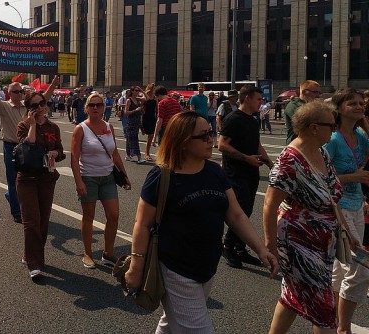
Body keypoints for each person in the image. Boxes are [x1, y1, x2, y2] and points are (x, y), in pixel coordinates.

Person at [125, 111, 278, 333]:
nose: (212, 140)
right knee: (198, 328)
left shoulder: (214, 171)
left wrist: (261, 249)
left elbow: (235, 215)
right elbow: (142, 224)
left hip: (207, 265)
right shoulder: (162, 176)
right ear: (183, 142)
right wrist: (136, 267)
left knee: (172, 322)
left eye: (211, 133)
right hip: (176, 267)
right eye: (204, 136)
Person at [263, 100, 349, 333]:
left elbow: (332, 196)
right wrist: (270, 246)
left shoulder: (319, 151)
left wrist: (347, 231)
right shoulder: (291, 159)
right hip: (298, 242)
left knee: (292, 295)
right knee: (324, 308)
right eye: (331, 125)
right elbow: (270, 204)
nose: (335, 129)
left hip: (322, 242)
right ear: (313, 127)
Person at [323, 88, 369, 334]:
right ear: (339, 108)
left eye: (362, 103)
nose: (360, 106)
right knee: (359, 269)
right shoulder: (332, 140)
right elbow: (319, 176)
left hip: (356, 206)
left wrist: (364, 123)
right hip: (337, 207)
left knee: (341, 268)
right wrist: (354, 176)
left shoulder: (361, 136)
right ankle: (343, 328)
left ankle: (329, 320)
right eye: (353, 103)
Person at [0, 71, 58, 224]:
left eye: (21, 91)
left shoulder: (28, 106)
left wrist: (54, 83)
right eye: (15, 92)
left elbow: (45, 98)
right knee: (13, 180)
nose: (19, 94)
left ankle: (12, 196)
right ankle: (17, 212)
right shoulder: (4, 105)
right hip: (11, 146)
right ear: (9, 93)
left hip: (28, 147)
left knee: (26, 178)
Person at [71, 92, 130, 269]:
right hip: (88, 177)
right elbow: (74, 158)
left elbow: (115, 153)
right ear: (86, 108)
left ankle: (108, 253)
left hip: (108, 177)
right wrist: (79, 182)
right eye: (92, 105)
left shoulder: (108, 127)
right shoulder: (80, 129)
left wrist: (124, 175)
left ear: (104, 107)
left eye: (99, 105)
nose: (95, 108)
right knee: (89, 216)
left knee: (113, 216)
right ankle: (88, 254)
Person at [218, 85, 274, 269]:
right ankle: (228, 246)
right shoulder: (233, 119)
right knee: (240, 210)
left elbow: (256, 145)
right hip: (234, 173)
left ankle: (240, 248)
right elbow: (222, 145)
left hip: (251, 172)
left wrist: (271, 164)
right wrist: (246, 158)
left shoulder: (253, 120)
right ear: (248, 98)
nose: (261, 102)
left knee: (247, 210)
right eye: (258, 99)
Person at [15, 92, 65, 278]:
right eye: (34, 105)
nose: (39, 108)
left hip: (47, 178)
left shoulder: (53, 127)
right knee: (31, 221)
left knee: (43, 221)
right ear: (29, 109)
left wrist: (55, 154)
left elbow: (60, 150)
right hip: (27, 178)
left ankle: (30, 253)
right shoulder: (23, 125)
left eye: (41, 103)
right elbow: (29, 145)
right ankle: (35, 263)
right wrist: (33, 124)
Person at [284, 80, 321, 145]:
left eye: (319, 93)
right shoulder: (293, 105)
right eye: (315, 92)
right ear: (304, 92)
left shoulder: (314, 106)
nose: (318, 96)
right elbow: (305, 121)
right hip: (297, 146)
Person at [124, 86, 145, 164]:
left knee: (130, 138)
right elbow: (126, 112)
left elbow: (146, 98)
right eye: (136, 90)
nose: (137, 92)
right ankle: (139, 157)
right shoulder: (129, 100)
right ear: (132, 91)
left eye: (138, 90)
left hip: (137, 121)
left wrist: (142, 90)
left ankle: (128, 155)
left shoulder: (138, 99)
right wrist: (135, 110)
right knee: (134, 139)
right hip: (131, 121)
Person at [142, 84, 158, 161]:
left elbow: (157, 107)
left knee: (151, 136)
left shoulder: (155, 97)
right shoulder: (145, 96)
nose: (154, 89)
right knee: (150, 135)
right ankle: (146, 153)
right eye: (153, 88)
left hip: (153, 118)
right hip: (146, 117)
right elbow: (143, 103)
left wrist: (158, 117)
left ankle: (147, 153)